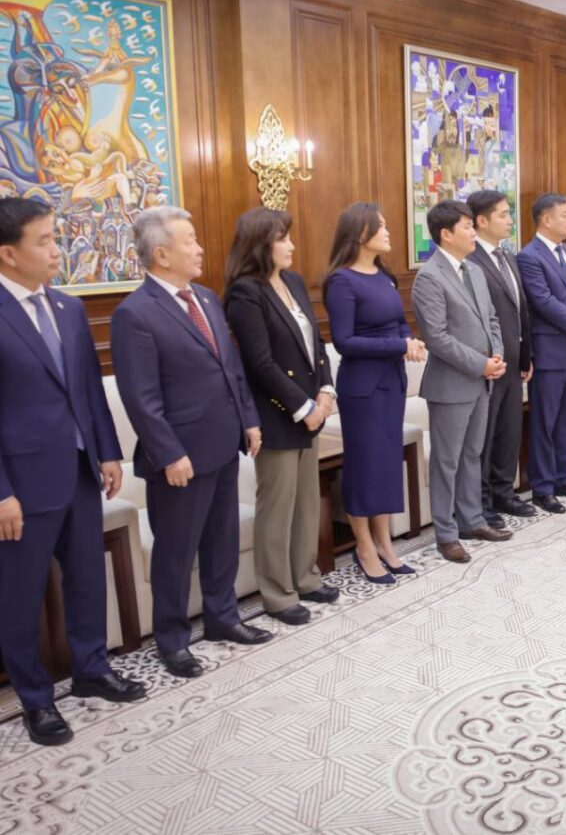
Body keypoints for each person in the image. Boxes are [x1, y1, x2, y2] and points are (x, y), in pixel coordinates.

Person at [0, 197, 145, 746]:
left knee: (87, 578)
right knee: (20, 597)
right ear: (8, 253)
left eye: (56, 237)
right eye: (44, 241)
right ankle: (36, 700)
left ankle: (91, 669)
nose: (58, 250)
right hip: (22, 487)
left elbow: (88, 390)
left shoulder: (66, 307)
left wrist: (107, 452)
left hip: (82, 473)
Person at [111, 207, 270, 680]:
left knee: (221, 540)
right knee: (176, 554)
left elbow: (231, 368)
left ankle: (222, 618)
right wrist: (169, 453)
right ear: (162, 254)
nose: (200, 249)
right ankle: (173, 641)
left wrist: (249, 420)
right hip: (179, 458)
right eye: (190, 241)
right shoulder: (134, 314)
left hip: (223, 443)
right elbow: (141, 398)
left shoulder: (204, 297)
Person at [223, 208, 341, 626]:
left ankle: (306, 578)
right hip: (277, 415)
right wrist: (303, 407)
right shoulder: (245, 292)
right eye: (282, 238)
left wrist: (325, 390)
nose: (291, 245)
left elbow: (317, 342)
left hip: (311, 409)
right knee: (277, 506)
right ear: (261, 244)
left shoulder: (293, 281)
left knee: (306, 502)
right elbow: (259, 363)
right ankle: (277, 593)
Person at [325, 203, 423, 583]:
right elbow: (344, 342)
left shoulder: (384, 276)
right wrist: (398, 345)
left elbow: (399, 323)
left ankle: (385, 542)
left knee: (385, 464)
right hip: (362, 388)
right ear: (360, 232)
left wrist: (409, 341)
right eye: (380, 226)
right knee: (364, 466)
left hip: (391, 381)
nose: (387, 231)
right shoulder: (341, 281)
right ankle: (364, 546)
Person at [411, 200, 510, 563]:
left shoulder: (475, 271)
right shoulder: (429, 277)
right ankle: (446, 533)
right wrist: (480, 364)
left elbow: (492, 319)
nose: (473, 232)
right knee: (447, 461)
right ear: (446, 234)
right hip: (451, 385)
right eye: (467, 227)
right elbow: (437, 338)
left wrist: (495, 356)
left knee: (472, 455)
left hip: (483, 380)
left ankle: (472, 521)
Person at [516, 193, 566, 514]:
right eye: (565, 215)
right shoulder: (529, 256)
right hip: (549, 351)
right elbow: (542, 301)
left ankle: (564, 477)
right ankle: (543, 487)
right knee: (545, 423)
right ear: (546, 219)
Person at [465, 189, 535, 527]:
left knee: (509, 431)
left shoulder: (507, 255)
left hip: (513, 359)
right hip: (488, 364)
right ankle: (481, 501)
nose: (510, 220)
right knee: (485, 434)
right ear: (482, 220)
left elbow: (521, 309)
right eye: (504, 214)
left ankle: (504, 492)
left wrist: (526, 355)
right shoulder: (470, 260)